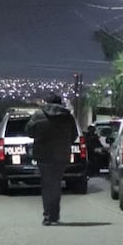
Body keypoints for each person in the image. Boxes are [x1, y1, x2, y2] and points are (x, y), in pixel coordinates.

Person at [25, 94, 78, 225]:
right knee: (56, 184)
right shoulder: (68, 117)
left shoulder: (38, 115)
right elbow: (74, 135)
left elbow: (29, 132)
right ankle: (55, 214)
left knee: (47, 185)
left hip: (43, 155)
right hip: (61, 155)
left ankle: (48, 215)